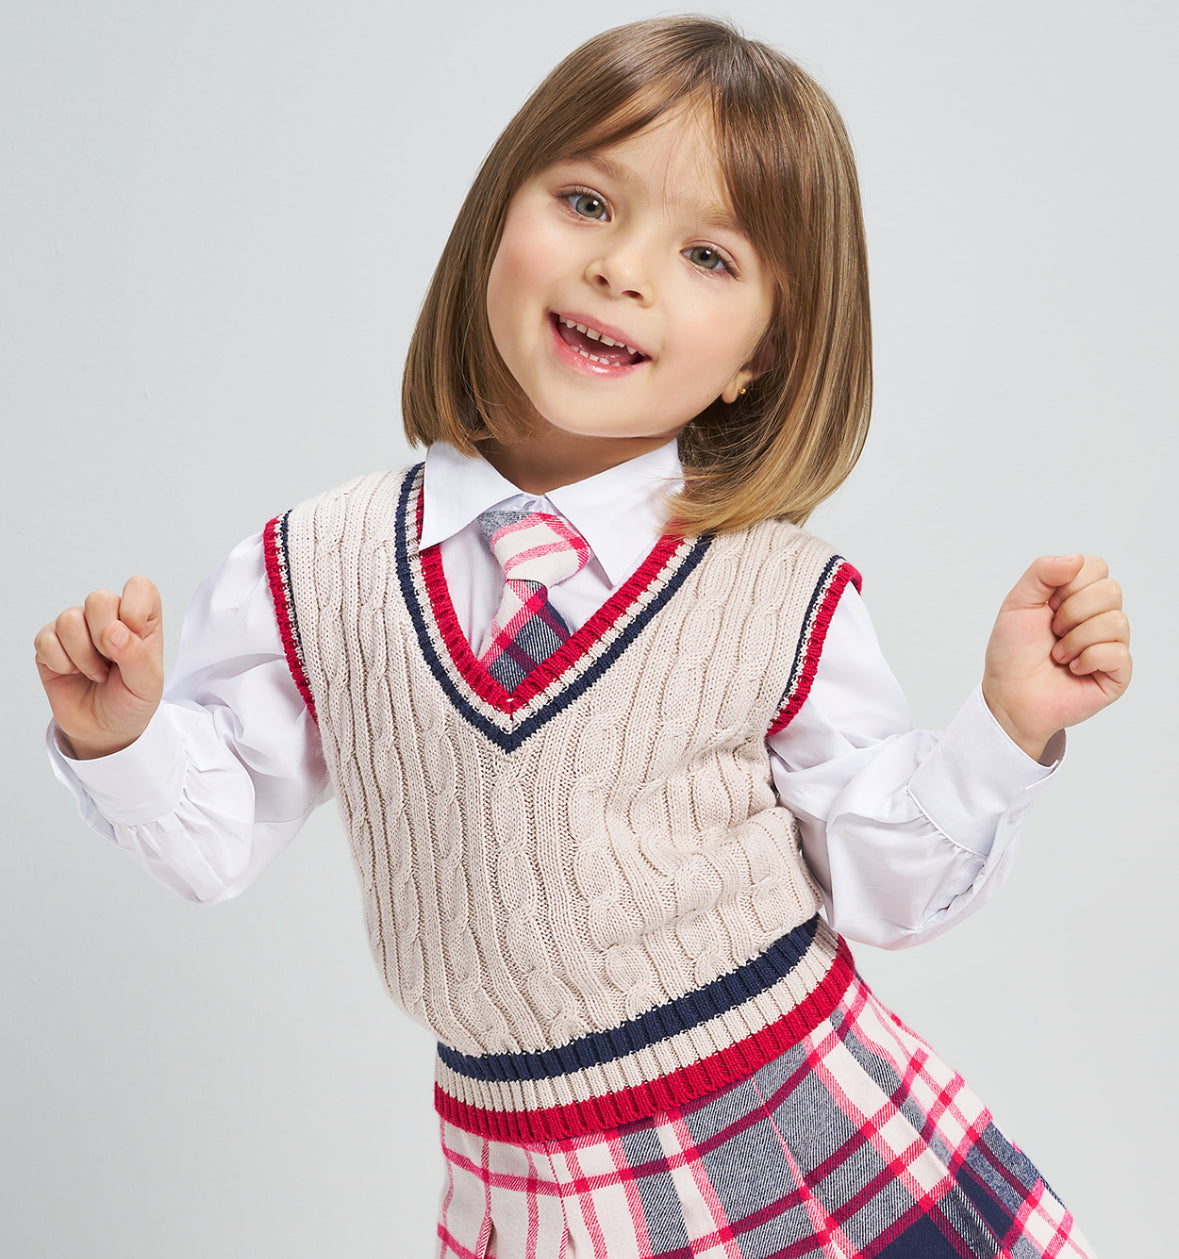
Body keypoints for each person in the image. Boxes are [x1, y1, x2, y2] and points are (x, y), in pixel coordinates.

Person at [35, 16, 1129, 1258]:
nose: (624, 269)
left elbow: (883, 885)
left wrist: (1003, 731)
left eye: (707, 254)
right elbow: (214, 835)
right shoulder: (319, 565)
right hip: (516, 1168)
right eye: (587, 202)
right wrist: (123, 739)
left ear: (760, 358)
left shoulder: (775, 591)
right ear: (496, 222)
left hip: (788, 1121)